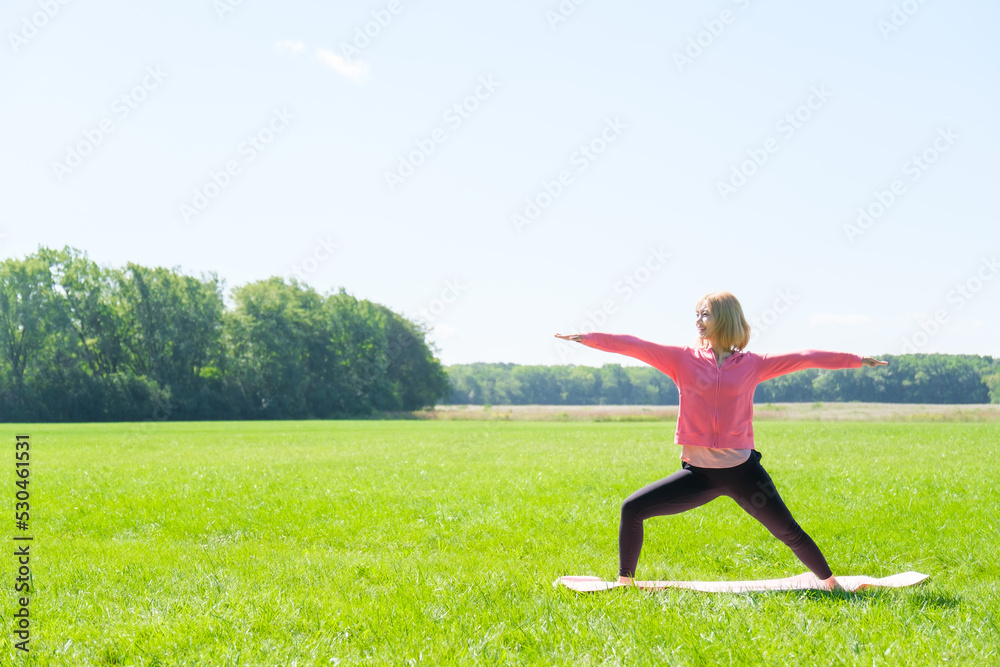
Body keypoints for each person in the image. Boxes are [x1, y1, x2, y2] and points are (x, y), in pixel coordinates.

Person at [554, 291, 887, 591]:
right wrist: (588, 337)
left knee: (788, 532)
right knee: (633, 508)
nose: (698, 321)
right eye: (697, 314)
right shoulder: (680, 359)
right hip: (698, 475)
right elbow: (636, 345)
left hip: (743, 473)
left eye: (706, 314)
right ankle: (625, 582)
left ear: (724, 319)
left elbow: (805, 357)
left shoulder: (753, 365)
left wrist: (856, 360)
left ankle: (831, 583)